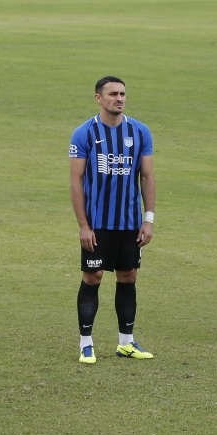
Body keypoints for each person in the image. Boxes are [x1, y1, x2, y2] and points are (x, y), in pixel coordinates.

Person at [69, 75, 156, 364]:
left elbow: (147, 177)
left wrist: (148, 219)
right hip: (98, 224)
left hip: (130, 223)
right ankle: (85, 344)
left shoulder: (140, 132)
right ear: (99, 98)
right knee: (92, 277)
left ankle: (126, 343)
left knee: (128, 276)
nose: (119, 98)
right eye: (112, 94)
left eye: (122, 94)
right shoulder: (84, 133)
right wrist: (83, 225)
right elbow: (76, 181)